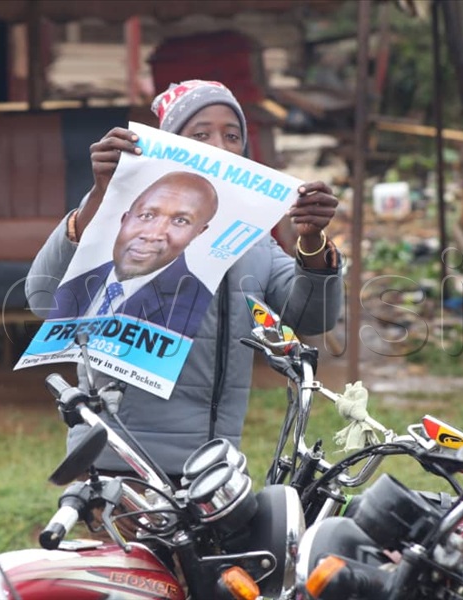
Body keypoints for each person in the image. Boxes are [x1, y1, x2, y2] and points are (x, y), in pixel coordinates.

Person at [26, 79, 343, 479]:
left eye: (232, 136)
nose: (220, 146)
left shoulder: (255, 243)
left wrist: (312, 241)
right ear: (170, 146)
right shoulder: (123, 223)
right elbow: (43, 298)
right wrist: (96, 201)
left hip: (213, 472)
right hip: (119, 464)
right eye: (200, 134)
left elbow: (312, 319)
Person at [49, 171, 217, 338]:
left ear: (198, 232)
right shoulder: (78, 281)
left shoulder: (199, 304)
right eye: (146, 215)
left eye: (180, 221)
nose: (152, 234)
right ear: (125, 219)